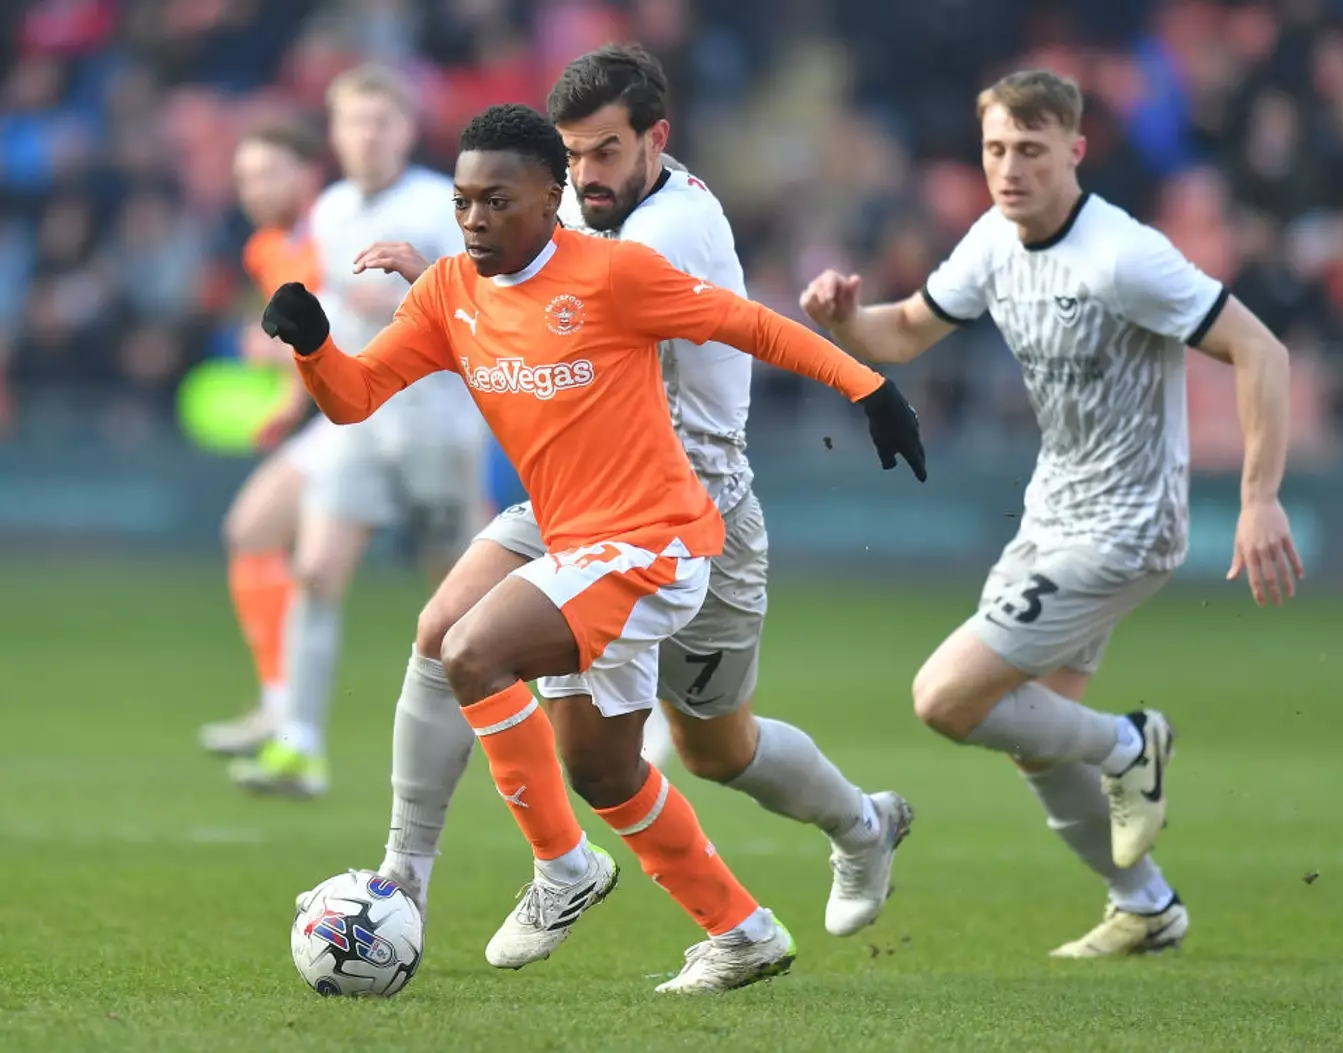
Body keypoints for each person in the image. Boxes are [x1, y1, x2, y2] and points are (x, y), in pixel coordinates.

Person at [266, 103, 925, 992]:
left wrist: (870, 387)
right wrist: (313, 344)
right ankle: (744, 931)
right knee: (602, 766)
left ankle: (563, 866)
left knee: (471, 649)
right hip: (568, 531)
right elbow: (354, 396)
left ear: (552, 197)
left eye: (496, 202)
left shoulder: (614, 273)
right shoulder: (447, 291)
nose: (473, 220)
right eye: (463, 202)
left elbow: (749, 324)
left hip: (655, 541)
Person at [801, 69, 1303, 957]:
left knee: (946, 698)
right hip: (1052, 515)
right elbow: (906, 332)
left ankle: (1130, 743)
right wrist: (847, 319)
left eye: (1030, 150)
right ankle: (1145, 904)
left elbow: (1259, 349)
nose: (1010, 167)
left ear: (1074, 151)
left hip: (1128, 522)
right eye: (996, 148)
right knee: (1033, 737)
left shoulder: (1123, 255)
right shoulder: (993, 239)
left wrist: (1260, 498)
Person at [226, 64, 489, 797]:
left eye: (382, 121)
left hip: (436, 428)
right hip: (359, 425)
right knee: (314, 573)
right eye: (354, 121)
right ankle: (299, 745)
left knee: (466, 603)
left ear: (407, 130)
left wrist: (420, 285)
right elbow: (331, 313)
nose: (368, 135)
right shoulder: (333, 210)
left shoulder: (444, 205)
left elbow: (483, 300)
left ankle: (549, 722)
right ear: (335, 134)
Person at [199, 118, 323, 757]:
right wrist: (283, 403)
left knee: (463, 581)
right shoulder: (265, 250)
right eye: (245, 176)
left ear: (308, 173)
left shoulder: (336, 229)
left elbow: (345, 332)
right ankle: (284, 713)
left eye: (268, 172)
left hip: (401, 412)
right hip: (340, 422)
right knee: (254, 533)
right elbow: (302, 347)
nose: (253, 188)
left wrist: (275, 357)